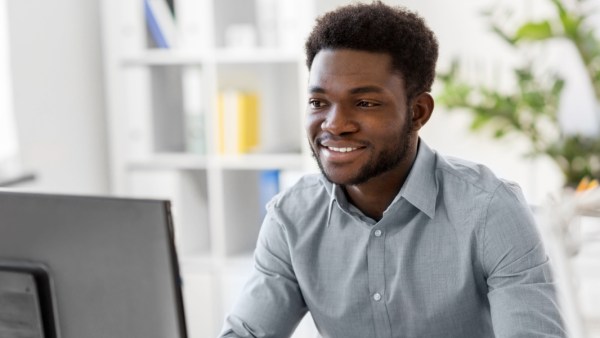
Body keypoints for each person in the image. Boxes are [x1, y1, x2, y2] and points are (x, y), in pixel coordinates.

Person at [219, 2, 566, 337]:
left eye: (365, 103)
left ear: (418, 112)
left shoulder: (491, 211)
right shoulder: (291, 218)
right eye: (318, 102)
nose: (335, 124)